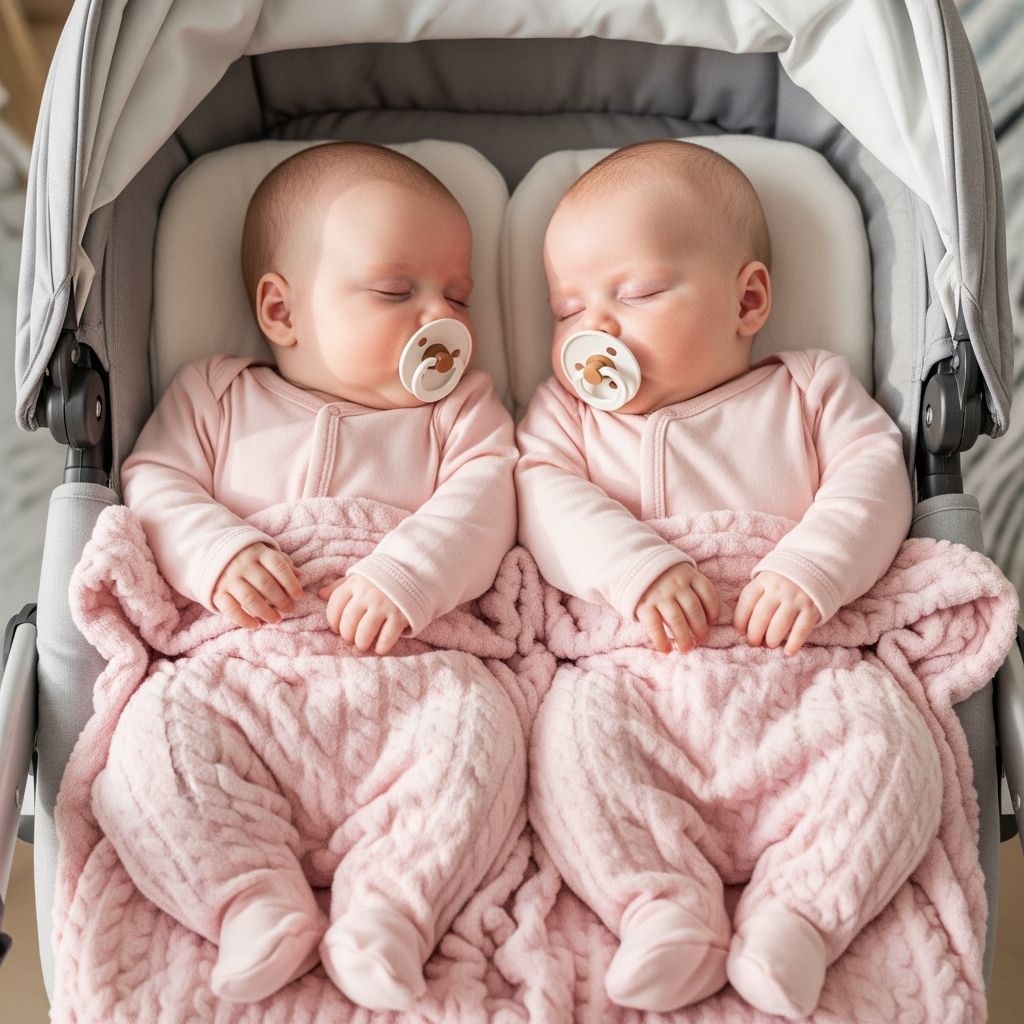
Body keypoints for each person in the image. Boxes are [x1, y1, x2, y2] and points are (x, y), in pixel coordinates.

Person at [94, 142, 522, 1010]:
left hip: (411, 675)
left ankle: (392, 911)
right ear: (282, 311)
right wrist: (218, 551)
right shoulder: (215, 395)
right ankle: (249, 899)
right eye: (398, 291)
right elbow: (153, 484)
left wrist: (408, 572)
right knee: (152, 740)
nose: (438, 317)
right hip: (241, 671)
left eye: (458, 296)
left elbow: (488, 500)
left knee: (484, 735)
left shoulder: (459, 409)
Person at [516, 139, 939, 1018]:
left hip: (803, 666)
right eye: (566, 310)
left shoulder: (811, 388)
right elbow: (541, 497)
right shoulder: (568, 419)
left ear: (748, 299)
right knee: (571, 744)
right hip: (638, 673)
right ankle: (661, 907)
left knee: (893, 744)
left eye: (632, 294)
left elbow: (874, 475)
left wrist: (811, 567)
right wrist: (635, 565)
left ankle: (802, 916)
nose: (596, 328)